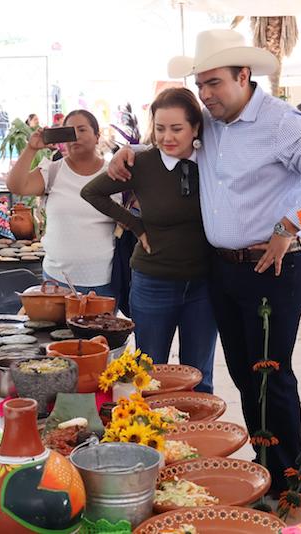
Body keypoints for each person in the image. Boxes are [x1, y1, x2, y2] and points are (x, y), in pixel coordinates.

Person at [109, 29, 301, 514]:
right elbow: (170, 145)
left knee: (272, 375)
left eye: (214, 82)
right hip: (222, 268)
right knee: (241, 373)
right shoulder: (209, 125)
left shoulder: (283, 124)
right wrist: (126, 154)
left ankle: (292, 486)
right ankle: (264, 470)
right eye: (201, 84)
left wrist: (288, 224)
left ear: (243, 76)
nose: (207, 94)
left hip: (274, 265)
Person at [81, 88, 217, 392]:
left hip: (204, 286)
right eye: (160, 128)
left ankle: (194, 439)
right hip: (153, 283)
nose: (167, 137)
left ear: (195, 128)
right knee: (149, 376)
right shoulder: (141, 164)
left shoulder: (214, 164)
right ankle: (149, 439)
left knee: (199, 378)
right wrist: (135, 225)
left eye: (176, 128)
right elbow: (92, 192)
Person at [7, 110, 116, 295]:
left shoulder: (114, 174)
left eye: (82, 130)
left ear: (97, 137)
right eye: (70, 132)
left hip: (103, 282)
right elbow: (16, 185)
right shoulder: (52, 171)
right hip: (57, 281)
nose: (76, 137)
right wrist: (31, 148)